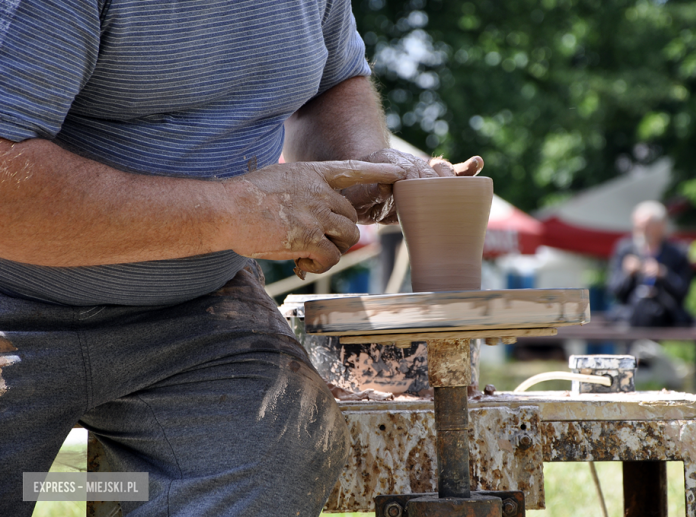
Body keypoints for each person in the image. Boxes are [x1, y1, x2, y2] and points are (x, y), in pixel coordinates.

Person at [0, 2, 483, 516]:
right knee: (33, 487)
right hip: (11, 301)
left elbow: (329, 81)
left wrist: (365, 162)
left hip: (199, 309)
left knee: (280, 448)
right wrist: (233, 213)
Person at [608, 201, 693, 327]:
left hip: (667, 316)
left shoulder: (677, 252)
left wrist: (664, 274)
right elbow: (613, 291)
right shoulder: (625, 250)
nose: (641, 230)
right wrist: (627, 274)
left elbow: (683, 291)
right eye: (637, 226)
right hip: (630, 315)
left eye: (646, 226)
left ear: (661, 226)